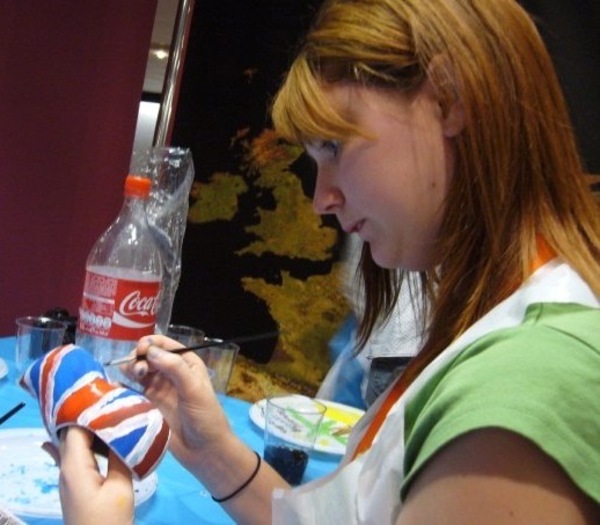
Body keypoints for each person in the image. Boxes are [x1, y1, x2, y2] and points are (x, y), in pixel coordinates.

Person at [58, 0, 600, 523]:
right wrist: (212, 451)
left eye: (335, 148)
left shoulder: (523, 387)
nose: (322, 200)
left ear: (448, 99)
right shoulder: (491, 323)